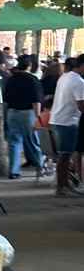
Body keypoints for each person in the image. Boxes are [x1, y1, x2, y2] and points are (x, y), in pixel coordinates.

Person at [3, 54, 46, 179]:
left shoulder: (11, 79)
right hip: (28, 113)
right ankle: (40, 166)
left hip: (12, 112)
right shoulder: (32, 79)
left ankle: (13, 171)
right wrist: (38, 117)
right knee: (33, 141)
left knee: (14, 142)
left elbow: (6, 99)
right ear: (30, 65)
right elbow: (36, 100)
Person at [48, 55, 84, 197]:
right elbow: (82, 105)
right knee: (65, 155)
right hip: (68, 121)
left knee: (64, 155)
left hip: (58, 119)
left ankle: (64, 184)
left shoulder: (65, 77)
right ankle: (61, 187)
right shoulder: (79, 82)